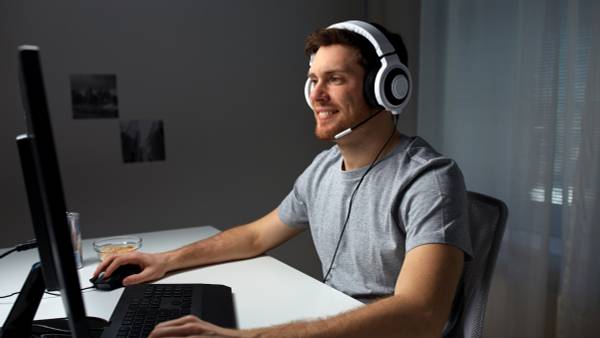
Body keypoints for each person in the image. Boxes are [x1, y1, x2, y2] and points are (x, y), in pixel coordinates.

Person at [94, 20, 472, 338]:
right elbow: (257, 235)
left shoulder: (428, 179)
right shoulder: (323, 169)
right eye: (313, 80)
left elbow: (422, 315)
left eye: (335, 79)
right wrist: (166, 261)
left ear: (387, 86)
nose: (317, 96)